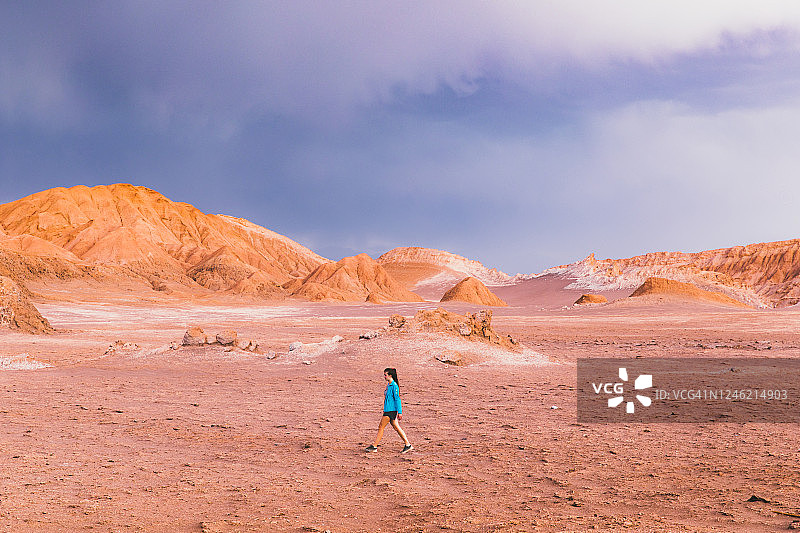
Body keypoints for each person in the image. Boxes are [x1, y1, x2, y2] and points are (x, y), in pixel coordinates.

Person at [365, 368, 412, 453]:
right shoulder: (389, 385)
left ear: (390, 375)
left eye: (385, 375)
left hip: (391, 411)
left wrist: (400, 412)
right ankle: (408, 444)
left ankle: (375, 446)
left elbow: (397, 399)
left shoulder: (394, 386)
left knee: (381, 427)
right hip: (388, 410)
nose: (384, 376)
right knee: (396, 427)